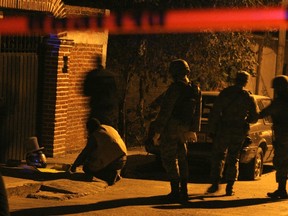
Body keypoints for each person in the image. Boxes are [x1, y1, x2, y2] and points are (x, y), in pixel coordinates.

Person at [152, 59, 202, 203]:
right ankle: (184, 191)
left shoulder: (175, 88)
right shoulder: (195, 88)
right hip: (185, 128)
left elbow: (166, 111)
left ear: (174, 72)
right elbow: (197, 113)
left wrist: (157, 132)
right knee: (182, 158)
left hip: (172, 127)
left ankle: (175, 192)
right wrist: (193, 130)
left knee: (169, 158)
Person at [206, 71, 258, 196]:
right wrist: (244, 121)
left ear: (235, 79)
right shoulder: (248, 97)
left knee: (218, 156)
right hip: (239, 131)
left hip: (224, 129)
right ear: (245, 82)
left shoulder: (225, 93)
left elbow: (215, 112)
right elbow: (255, 117)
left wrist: (212, 130)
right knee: (234, 158)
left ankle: (215, 183)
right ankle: (230, 187)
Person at [70, 118, 127, 186]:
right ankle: (112, 173)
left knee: (87, 168)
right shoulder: (108, 128)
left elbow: (85, 153)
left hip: (115, 162)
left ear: (90, 128)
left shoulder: (96, 135)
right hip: (124, 158)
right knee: (94, 160)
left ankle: (110, 176)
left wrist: (74, 166)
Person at [258, 75, 288, 199]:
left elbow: (265, 113)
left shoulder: (280, 102)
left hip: (284, 137)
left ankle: (281, 190)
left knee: (281, 162)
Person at [83, 56, 119, 130]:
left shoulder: (93, 75)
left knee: (94, 130)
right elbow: (117, 93)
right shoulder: (111, 76)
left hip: (96, 109)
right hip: (109, 111)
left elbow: (86, 91)